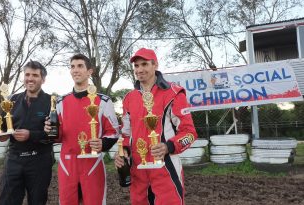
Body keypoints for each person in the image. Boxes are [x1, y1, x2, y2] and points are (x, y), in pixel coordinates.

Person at [114, 48, 198, 205]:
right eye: (136, 66)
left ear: (155, 65)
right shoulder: (129, 98)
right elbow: (126, 134)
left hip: (166, 169)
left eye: (144, 64)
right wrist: (122, 152)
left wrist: (169, 146)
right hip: (138, 171)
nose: (139, 70)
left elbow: (190, 133)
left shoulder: (174, 93)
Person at [45, 54, 119, 205]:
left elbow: (113, 132)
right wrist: (49, 131)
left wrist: (103, 144)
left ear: (89, 71)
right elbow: (56, 137)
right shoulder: (60, 102)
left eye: (80, 66)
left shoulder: (103, 101)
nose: (75, 70)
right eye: (72, 66)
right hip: (67, 165)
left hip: (93, 164)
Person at [0, 60, 54, 205]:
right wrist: (2, 135)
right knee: (6, 201)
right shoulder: (11, 101)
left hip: (39, 161)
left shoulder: (51, 102)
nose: (30, 78)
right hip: (14, 160)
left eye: (35, 75)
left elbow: (54, 135)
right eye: (27, 74)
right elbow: (3, 128)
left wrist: (31, 134)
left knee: (37, 201)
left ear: (43, 79)